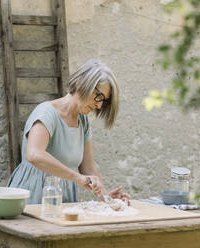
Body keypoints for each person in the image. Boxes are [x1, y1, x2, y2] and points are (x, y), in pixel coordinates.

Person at [7, 59, 131, 204]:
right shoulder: (47, 113)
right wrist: (76, 177)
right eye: (99, 96)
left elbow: (88, 166)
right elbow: (34, 155)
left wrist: (108, 199)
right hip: (35, 198)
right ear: (82, 83)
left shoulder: (83, 122)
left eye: (104, 101)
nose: (99, 105)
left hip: (63, 201)